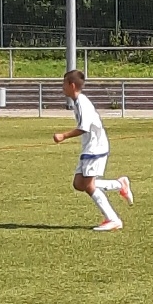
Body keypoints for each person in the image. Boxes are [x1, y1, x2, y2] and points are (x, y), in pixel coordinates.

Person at [51, 70, 131, 232]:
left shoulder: (82, 102)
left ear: (72, 85)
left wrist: (63, 136)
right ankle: (119, 184)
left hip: (95, 148)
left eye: (64, 84)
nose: (62, 87)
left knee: (88, 186)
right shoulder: (77, 101)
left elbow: (83, 128)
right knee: (79, 184)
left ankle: (113, 219)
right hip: (89, 147)